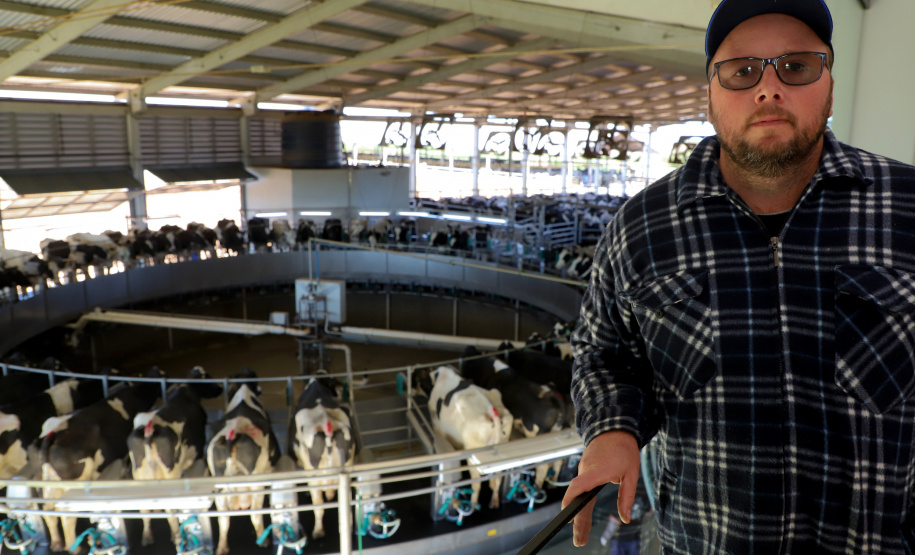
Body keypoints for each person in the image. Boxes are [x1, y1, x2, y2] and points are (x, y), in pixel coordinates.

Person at [561, 0, 915, 553]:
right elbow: (605, 352)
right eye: (742, 71)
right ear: (709, 94)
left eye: (796, 67)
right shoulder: (641, 228)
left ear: (830, 82)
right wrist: (611, 430)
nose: (769, 89)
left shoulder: (905, 208)